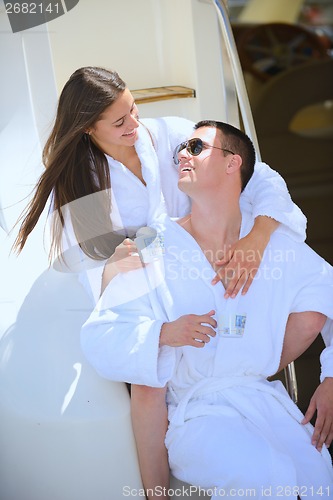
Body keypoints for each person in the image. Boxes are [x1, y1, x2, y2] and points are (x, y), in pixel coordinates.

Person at [11, 67, 328, 496]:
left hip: (222, 321)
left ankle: (245, 369)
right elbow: (100, 284)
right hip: (155, 289)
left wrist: (258, 236)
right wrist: (148, 311)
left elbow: (260, 175)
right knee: (163, 389)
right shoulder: (83, 187)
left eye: (134, 110)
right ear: (88, 128)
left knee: (312, 475)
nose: (135, 125)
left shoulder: (175, 137)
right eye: (120, 122)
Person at [80, 121, 333, 499]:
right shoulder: (152, 241)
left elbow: (324, 292)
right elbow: (103, 332)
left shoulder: (271, 245)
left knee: (316, 478)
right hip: (196, 417)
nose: (183, 153)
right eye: (182, 147)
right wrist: (163, 334)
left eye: (197, 147)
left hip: (264, 405)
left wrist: (331, 378)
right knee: (261, 475)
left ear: (233, 163)